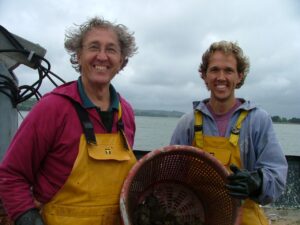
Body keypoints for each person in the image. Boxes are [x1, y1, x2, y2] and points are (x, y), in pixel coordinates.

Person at [0, 16, 138, 225]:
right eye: (93, 47)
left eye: (111, 49)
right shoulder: (52, 108)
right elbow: (11, 175)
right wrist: (28, 219)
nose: (102, 56)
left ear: (122, 61)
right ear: (78, 56)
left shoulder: (125, 112)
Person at [170, 40, 288, 225]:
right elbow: (171, 176)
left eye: (229, 70)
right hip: (198, 217)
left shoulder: (258, 120)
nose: (221, 77)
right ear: (204, 75)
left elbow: (277, 176)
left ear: (239, 76)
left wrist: (256, 182)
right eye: (215, 70)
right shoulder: (187, 123)